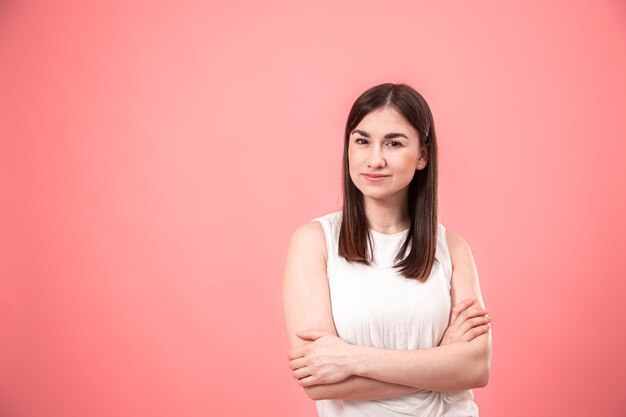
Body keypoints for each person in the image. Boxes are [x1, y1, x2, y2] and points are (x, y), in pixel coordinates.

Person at [281, 83, 492, 417]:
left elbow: (475, 369)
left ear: (422, 155)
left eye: (393, 143)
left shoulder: (452, 248)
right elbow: (319, 381)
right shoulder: (314, 242)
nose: (374, 159)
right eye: (362, 141)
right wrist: (441, 365)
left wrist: (353, 359)